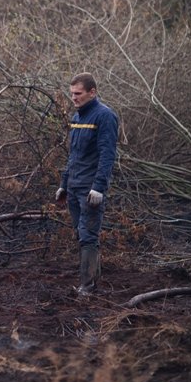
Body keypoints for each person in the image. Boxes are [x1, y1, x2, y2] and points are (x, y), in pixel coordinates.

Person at [56, 72, 119, 296]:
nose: (74, 98)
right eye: (71, 93)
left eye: (78, 94)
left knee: (88, 236)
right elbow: (73, 155)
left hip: (90, 188)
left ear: (92, 92)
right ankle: (92, 281)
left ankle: (88, 287)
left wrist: (99, 187)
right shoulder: (77, 118)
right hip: (74, 187)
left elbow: (107, 155)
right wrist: (64, 184)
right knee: (80, 234)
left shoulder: (105, 116)